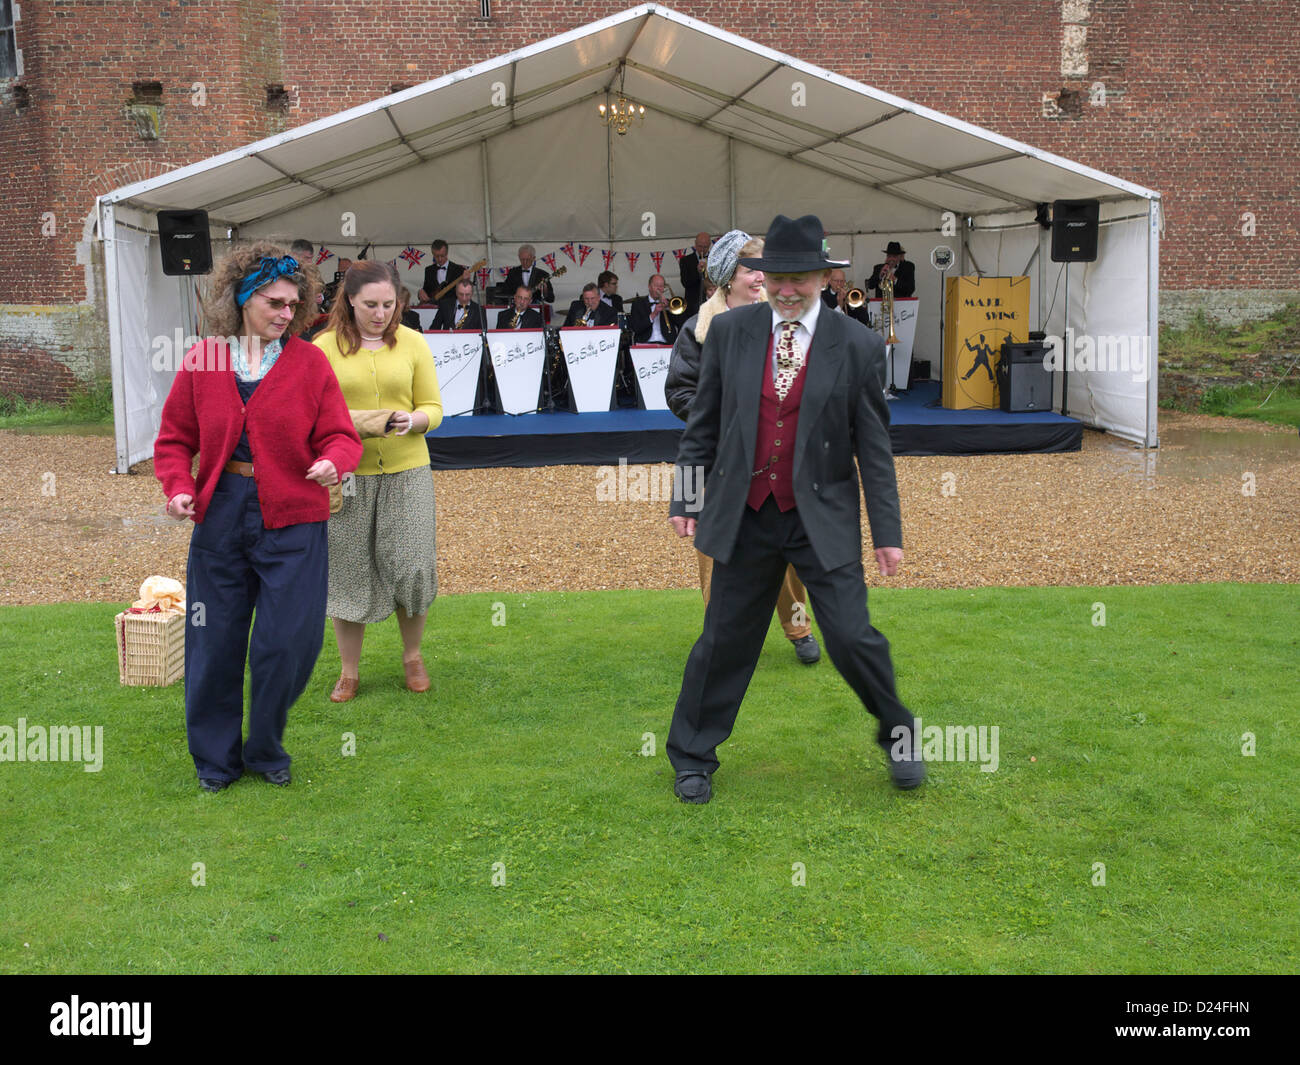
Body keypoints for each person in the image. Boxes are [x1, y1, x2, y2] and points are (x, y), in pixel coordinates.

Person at [666, 214, 923, 804]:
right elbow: (702, 422)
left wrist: (887, 531)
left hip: (822, 517)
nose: (786, 289)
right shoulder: (730, 333)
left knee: (853, 638)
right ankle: (692, 756)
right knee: (723, 640)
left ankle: (900, 735)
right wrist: (687, 494)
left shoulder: (856, 344)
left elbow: (874, 448)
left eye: (799, 278)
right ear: (760, 275)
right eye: (775, 276)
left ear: (824, 278)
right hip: (747, 514)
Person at [154, 241, 363, 792]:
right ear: (243, 300)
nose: (285, 314)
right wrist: (178, 488)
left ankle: (266, 748)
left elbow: (341, 434)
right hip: (220, 514)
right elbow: (175, 438)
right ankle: (215, 763)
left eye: (294, 304)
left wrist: (332, 461)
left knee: (288, 642)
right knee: (214, 642)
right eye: (274, 302)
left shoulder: (310, 362)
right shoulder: (204, 359)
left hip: (295, 515)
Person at [665, 229, 821, 667]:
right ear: (726, 278)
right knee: (714, 551)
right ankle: (722, 637)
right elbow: (678, 393)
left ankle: (799, 627)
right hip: (717, 461)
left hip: (778, 459)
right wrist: (729, 416)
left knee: (787, 550)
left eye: (763, 270)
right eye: (751, 269)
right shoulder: (698, 329)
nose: (761, 277)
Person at [312, 260, 444, 702]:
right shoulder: (324, 347)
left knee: (412, 564)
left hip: (408, 471)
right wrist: (363, 424)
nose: (380, 313)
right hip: (346, 476)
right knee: (348, 570)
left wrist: (417, 419)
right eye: (370, 304)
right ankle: (349, 671)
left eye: (389, 304)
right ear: (349, 299)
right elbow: (311, 416)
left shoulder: (413, 343)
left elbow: (434, 407)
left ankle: (412, 656)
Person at [628, 274, 681, 344]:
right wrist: (653, 314)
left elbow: (681, 323)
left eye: (661, 286)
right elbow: (635, 328)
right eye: (656, 285)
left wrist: (669, 308)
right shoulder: (638, 304)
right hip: (645, 343)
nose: (659, 288)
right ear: (649, 287)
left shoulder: (669, 304)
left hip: (666, 344)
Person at [418, 239, 466, 304]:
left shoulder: (458, 270)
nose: (440, 259)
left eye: (442, 256)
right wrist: (420, 293)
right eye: (437, 256)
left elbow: (464, 291)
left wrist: (467, 280)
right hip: (434, 309)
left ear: (447, 253)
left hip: (452, 308)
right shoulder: (428, 270)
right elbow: (426, 290)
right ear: (433, 254)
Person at [679, 231, 712, 318]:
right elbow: (685, 283)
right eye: (700, 246)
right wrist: (697, 272)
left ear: (709, 246)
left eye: (705, 247)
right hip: (692, 305)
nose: (702, 249)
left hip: (711, 302)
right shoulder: (685, 261)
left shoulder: (715, 260)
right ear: (695, 244)